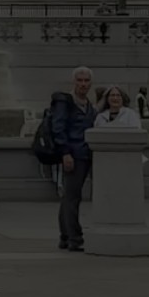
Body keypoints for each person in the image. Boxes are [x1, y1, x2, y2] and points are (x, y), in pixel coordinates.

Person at [50, 66, 97, 252]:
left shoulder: (88, 104)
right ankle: (75, 238)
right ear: (73, 82)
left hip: (85, 154)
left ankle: (65, 236)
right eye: (80, 80)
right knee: (72, 198)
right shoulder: (66, 102)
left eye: (86, 81)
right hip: (73, 155)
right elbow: (58, 128)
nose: (83, 84)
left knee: (69, 197)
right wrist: (65, 153)